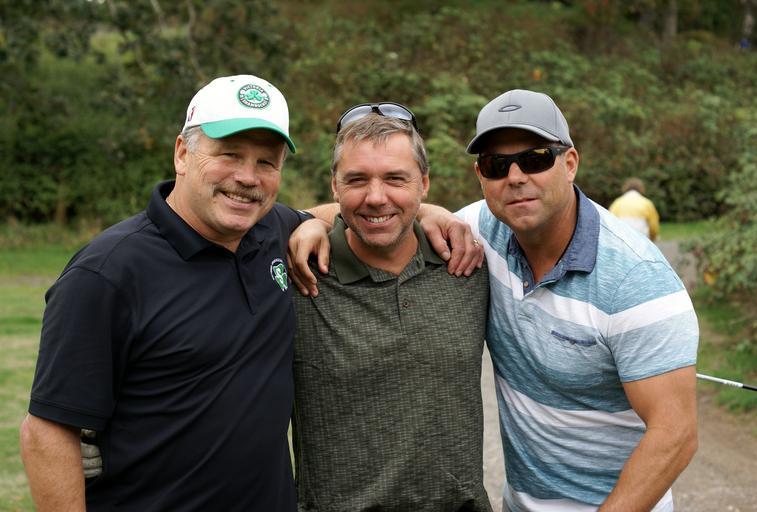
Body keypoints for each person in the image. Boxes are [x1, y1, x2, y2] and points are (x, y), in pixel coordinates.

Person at [291, 89, 699, 512]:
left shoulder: (636, 278)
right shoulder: (477, 234)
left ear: (570, 163)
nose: (516, 176)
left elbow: (677, 433)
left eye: (536, 158)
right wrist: (309, 223)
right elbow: (383, 207)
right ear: (481, 175)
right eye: (497, 165)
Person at [20, 74, 310, 511]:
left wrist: (316, 224)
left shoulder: (271, 229)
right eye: (229, 154)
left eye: (266, 162)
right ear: (182, 154)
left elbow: (347, 212)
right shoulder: (106, 273)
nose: (247, 177)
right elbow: (46, 432)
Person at [290, 104, 492, 511]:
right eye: (356, 180)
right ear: (334, 187)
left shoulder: (467, 262)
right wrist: (308, 221)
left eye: (396, 178)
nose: (376, 197)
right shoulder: (299, 274)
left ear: (424, 184)